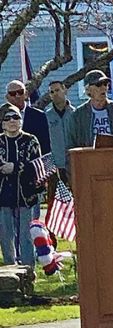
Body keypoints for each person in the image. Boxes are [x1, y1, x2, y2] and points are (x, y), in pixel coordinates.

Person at [0, 105, 44, 267]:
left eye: (16, 117)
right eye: (7, 118)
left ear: (21, 120)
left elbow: (36, 166)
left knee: (26, 235)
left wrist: (15, 167)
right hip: (3, 196)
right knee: (6, 236)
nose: (12, 121)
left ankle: (28, 273)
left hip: (26, 196)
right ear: (2, 123)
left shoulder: (31, 140)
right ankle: (10, 274)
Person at [65, 70, 113, 173]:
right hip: (89, 167)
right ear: (88, 90)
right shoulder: (78, 115)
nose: (104, 87)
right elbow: (70, 147)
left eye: (106, 84)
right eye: (99, 84)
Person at [5, 79, 51, 219]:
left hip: (31, 177)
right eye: (13, 93)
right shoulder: (2, 117)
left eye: (20, 92)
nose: (17, 96)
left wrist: (46, 174)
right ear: (7, 97)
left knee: (31, 223)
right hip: (6, 179)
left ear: (25, 94)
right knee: (8, 226)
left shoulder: (39, 116)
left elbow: (46, 146)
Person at [45, 80, 75, 248]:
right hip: (55, 167)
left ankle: (81, 236)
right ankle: (51, 242)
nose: (55, 94)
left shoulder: (76, 114)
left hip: (74, 165)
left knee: (78, 202)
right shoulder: (47, 116)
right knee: (52, 205)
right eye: (51, 92)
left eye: (57, 90)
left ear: (65, 90)